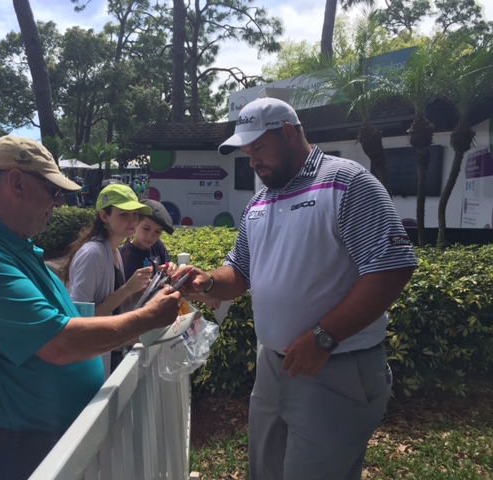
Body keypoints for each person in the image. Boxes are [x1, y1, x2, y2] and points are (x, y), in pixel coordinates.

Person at [173, 97, 418, 480]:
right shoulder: (260, 200)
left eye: (258, 148)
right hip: (274, 365)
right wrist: (207, 282)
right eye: (247, 151)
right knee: (265, 471)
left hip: (335, 365)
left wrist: (323, 337)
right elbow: (239, 271)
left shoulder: (347, 182)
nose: (252, 160)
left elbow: (392, 268)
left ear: (289, 133)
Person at [0, 135, 181, 480]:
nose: (58, 204)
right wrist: (148, 318)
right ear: (16, 183)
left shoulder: (10, 245)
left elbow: (70, 319)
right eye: (52, 192)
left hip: (36, 443)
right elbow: (59, 343)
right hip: (11, 454)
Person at [61, 184, 156, 373]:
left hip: (109, 354)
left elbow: (114, 306)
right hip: (92, 363)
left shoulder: (113, 251)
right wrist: (128, 289)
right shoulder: (93, 254)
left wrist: (143, 290)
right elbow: (79, 319)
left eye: (135, 214)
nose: (132, 221)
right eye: (123, 215)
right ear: (104, 216)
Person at [120, 199, 175, 280]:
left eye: (157, 232)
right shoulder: (126, 256)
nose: (150, 236)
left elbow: (167, 266)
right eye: (146, 229)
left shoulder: (157, 245)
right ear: (136, 223)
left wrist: (170, 267)